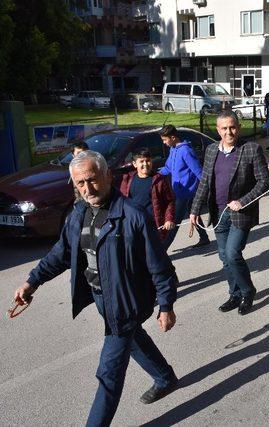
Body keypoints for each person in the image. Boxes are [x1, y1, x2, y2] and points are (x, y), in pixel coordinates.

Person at [12, 150, 179, 426]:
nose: (87, 188)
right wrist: (32, 281)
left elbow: (159, 266)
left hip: (125, 301)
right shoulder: (79, 213)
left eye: (92, 180)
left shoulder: (133, 217)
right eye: (80, 183)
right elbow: (61, 253)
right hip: (101, 297)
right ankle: (164, 376)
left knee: (108, 373)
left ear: (107, 176)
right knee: (133, 338)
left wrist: (166, 304)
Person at [190, 110, 269, 315]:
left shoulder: (251, 149)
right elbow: (204, 183)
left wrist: (242, 201)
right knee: (224, 257)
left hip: (240, 213)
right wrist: (194, 210)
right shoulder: (210, 151)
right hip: (218, 214)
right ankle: (234, 294)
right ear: (218, 130)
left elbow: (264, 181)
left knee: (233, 253)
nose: (229, 132)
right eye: (224, 128)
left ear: (239, 127)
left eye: (232, 127)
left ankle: (247, 291)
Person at [158, 124, 210, 250]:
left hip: (188, 192)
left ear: (173, 137)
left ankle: (162, 250)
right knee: (193, 212)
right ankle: (204, 237)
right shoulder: (173, 149)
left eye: (165, 140)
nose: (164, 143)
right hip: (179, 191)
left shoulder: (186, 151)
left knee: (174, 221)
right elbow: (168, 168)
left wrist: (207, 190)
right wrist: (154, 175)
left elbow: (199, 172)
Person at [120, 147, 176, 241]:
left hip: (153, 225)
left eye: (148, 161)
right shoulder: (128, 179)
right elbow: (121, 202)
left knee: (154, 253)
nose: (145, 164)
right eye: (141, 161)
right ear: (135, 164)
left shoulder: (159, 180)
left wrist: (168, 219)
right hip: (133, 225)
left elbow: (170, 201)